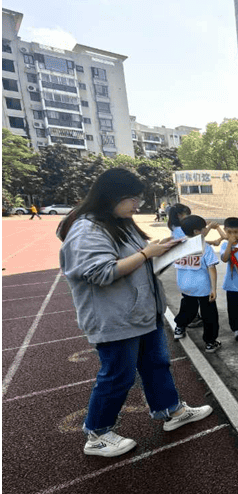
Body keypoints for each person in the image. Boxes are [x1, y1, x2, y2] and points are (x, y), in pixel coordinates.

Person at [58, 168, 212, 457]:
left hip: (143, 312)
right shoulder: (87, 229)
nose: (137, 206)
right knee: (117, 375)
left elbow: (138, 256)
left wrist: (160, 249)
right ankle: (97, 433)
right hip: (115, 317)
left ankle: (170, 410)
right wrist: (145, 254)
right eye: (132, 199)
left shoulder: (121, 222)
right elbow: (100, 272)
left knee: (156, 364)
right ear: (112, 197)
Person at [171, 215, 221, 353]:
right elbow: (212, 268)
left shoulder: (178, 245)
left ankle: (180, 327)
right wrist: (213, 289)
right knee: (209, 315)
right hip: (203, 287)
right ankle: (210, 342)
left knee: (188, 308)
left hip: (185, 285)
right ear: (196, 232)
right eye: (204, 228)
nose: (206, 230)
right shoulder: (204, 247)